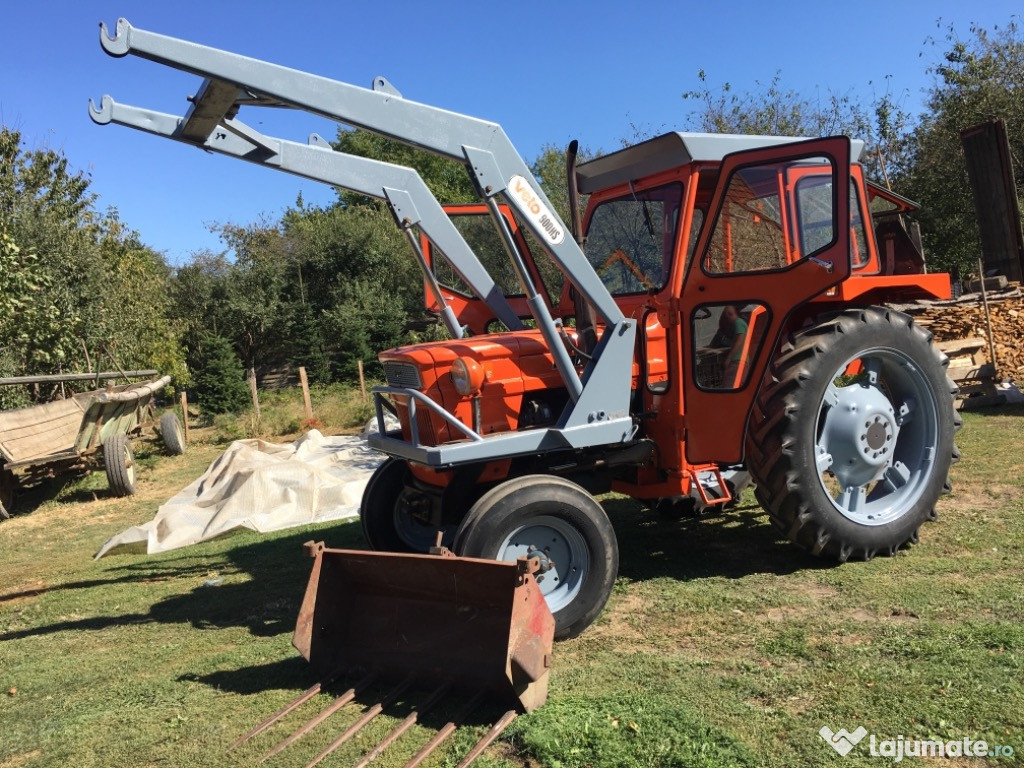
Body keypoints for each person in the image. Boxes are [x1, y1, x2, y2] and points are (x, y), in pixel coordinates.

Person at [719, 305, 747, 388]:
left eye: (725, 317)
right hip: (740, 360)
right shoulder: (740, 323)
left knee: (728, 386)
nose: (725, 320)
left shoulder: (738, 323)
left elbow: (739, 340)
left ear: (729, 314)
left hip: (737, 361)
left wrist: (728, 358)